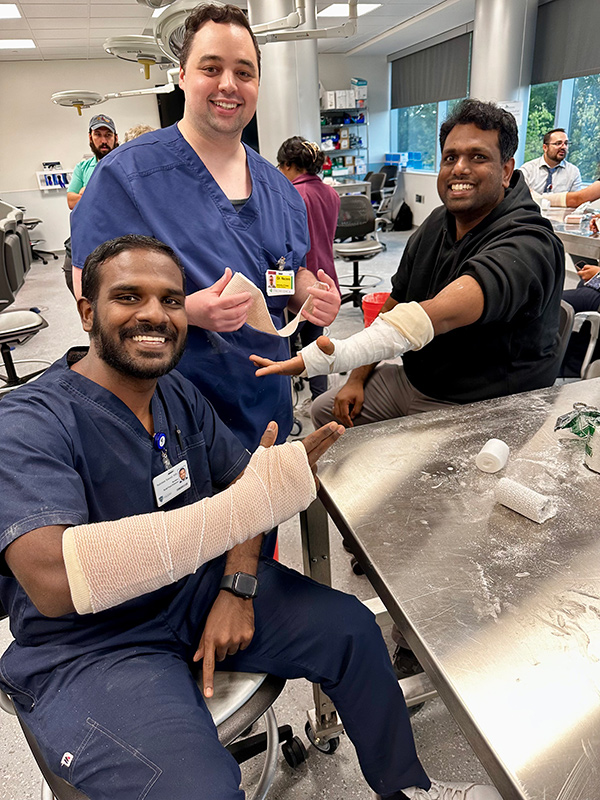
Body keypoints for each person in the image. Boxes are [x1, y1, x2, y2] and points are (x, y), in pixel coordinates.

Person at [0, 235, 499, 800]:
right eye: (128, 297)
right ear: (88, 311)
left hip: (194, 589)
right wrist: (252, 501)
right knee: (200, 789)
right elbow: (56, 581)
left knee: (354, 631)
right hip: (91, 645)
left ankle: (406, 789)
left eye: (170, 299)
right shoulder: (27, 422)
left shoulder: (176, 394)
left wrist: (237, 585)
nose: (154, 315)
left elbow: (246, 482)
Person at [251, 99, 565, 678]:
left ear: (509, 167)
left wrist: (344, 351)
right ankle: (363, 535)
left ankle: (415, 641)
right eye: (451, 156)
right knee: (324, 416)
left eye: (478, 156)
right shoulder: (436, 227)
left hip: (487, 411)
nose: (460, 169)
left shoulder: (528, 241)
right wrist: (357, 376)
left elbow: (443, 312)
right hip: (419, 384)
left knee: (434, 523)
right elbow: (398, 301)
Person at [70, 4, 341, 458]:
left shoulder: (281, 191)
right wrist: (185, 310)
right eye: (210, 68)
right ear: (182, 75)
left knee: (259, 519)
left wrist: (310, 295)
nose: (229, 85)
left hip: (262, 399)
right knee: (186, 525)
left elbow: (280, 277)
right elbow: (89, 292)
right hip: (168, 403)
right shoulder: (127, 175)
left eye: (244, 71)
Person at [277, 135, 341, 405]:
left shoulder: (291, 196)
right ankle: (320, 402)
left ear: (291, 165)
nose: (279, 172)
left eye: (281, 166)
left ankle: (287, 401)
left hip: (298, 283)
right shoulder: (331, 193)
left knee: (288, 345)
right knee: (317, 345)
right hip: (325, 277)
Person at [63, 114, 119, 294]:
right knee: (72, 272)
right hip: (86, 234)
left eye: (108, 136)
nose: (103, 141)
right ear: (90, 137)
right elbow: (71, 201)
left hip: (115, 236)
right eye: (98, 135)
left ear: (116, 138)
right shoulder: (83, 167)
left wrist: (87, 192)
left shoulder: (122, 162)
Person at [520, 128, 582, 195]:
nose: (563, 147)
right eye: (558, 143)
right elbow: (519, 196)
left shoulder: (573, 172)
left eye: (566, 143)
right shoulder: (528, 169)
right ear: (545, 148)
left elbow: (576, 201)